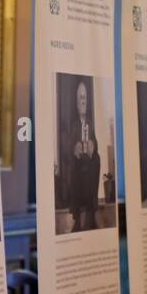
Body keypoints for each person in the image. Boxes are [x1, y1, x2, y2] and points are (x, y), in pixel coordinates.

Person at [63, 80, 99, 231]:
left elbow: (94, 143)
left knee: (97, 159)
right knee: (75, 165)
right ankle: (77, 216)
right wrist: (74, 149)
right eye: (80, 98)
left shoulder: (90, 123)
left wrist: (93, 148)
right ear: (76, 103)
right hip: (77, 166)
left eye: (84, 97)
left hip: (88, 166)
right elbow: (67, 147)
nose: (83, 101)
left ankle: (91, 210)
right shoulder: (73, 125)